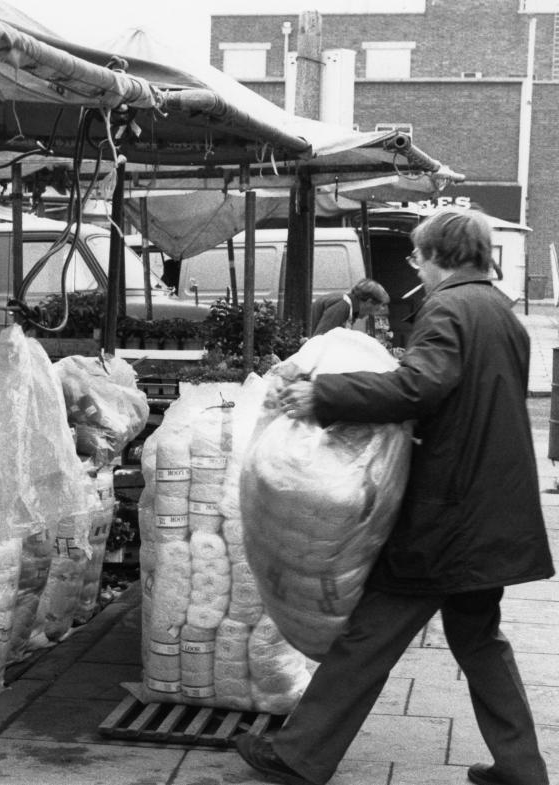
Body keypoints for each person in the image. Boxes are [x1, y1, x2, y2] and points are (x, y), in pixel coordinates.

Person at [234, 207, 554, 785]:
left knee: (369, 635)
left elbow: (421, 386)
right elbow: (455, 388)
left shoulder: (448, 308)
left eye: (418, 256)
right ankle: (521, 769)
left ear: (441, 257)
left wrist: (323, 395)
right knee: (479, 639)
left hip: (448, 516)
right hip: (493, 509)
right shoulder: (501, 313)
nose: (417, 269)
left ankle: (300, 755)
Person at [308, 277, 389, 336]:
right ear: (369, 302)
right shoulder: (343, 305)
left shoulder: (348, 306)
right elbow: (320, 338)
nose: (371, 314)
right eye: (376, 309)